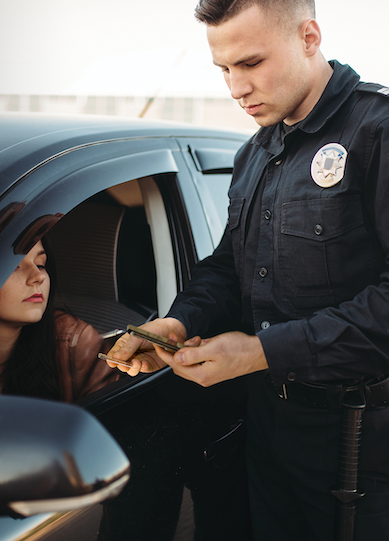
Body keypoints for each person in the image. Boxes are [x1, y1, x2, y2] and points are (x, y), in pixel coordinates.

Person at [106, 1, 389, 540]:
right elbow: (229, 267)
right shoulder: (256, 153)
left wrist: (261, 352)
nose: (236, 88)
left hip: (360, 442)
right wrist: (180, 321)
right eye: (224, 70)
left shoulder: (378, 133)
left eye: (252, 63)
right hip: (264, 426)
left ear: (309, 37)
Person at [0, 238, 120, 429]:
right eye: (14, 265)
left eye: (41, 264)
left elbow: (112, 434)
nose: (38, 276)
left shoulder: (74, 343)